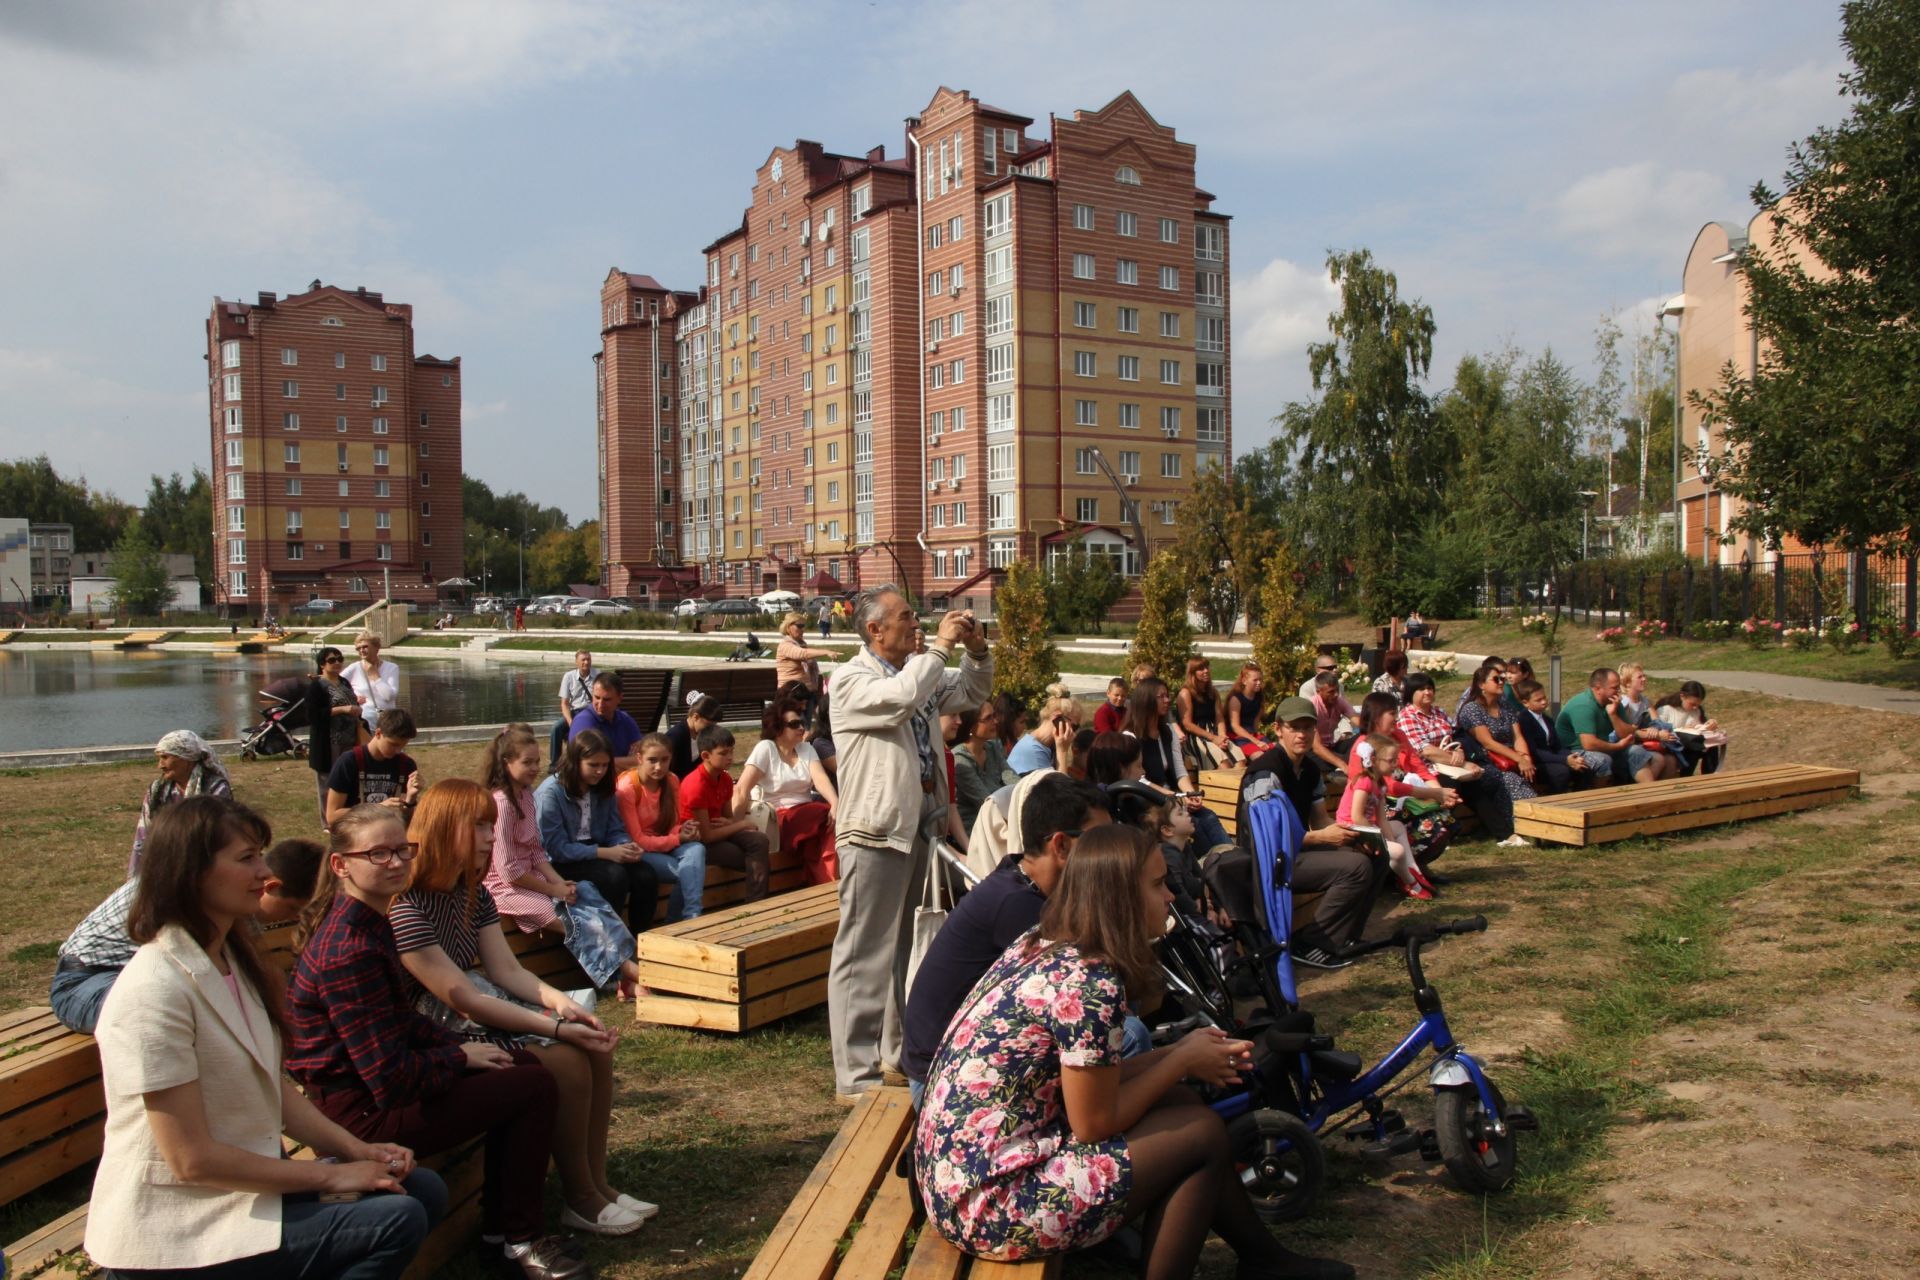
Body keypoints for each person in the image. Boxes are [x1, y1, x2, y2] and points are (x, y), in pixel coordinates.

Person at [914, 824, 1352, 1280]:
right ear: (1119, 895)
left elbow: (1090, 1076)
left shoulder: (1042, 943)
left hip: (957, 1174)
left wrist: (1175, 1055)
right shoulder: (1088, 981)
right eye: (1158, 884)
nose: (1170, 898)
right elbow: (1093, 1123)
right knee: (1200, 1134)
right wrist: (1181, 1060)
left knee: (1184, 1105)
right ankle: (1257, 1261)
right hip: (989, 1204)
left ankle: (1262, 1259)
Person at [85, 797, 447, 1280]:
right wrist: (333, 1172)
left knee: (421, 1189)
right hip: (179, 1228)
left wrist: (359, 1150)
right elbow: (191, 1161)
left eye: (261, 855)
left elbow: (272, 1090)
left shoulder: (231, 962)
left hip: (237, 1193)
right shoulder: (154, 990)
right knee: (394, 1219)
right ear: (191, 872)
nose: (265, 873)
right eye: (247, 858)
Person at [286, 805, 583, 1280]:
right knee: (533, 1086)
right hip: (356, 1116)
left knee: (521, 1064)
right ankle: (516, 1242)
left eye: (403, 849)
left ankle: (501, 1233)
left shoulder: (369, 921)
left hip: (375, 1091)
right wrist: (458, 1055)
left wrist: (465, 1046)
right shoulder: (349, 949)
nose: (397, 861)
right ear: (342, 865)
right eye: (378, 853)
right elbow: (389, 1080)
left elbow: (401, 1021)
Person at [393, 780, 654, 1237]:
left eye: (490, 826)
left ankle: (598, 1183)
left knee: (595, 1046)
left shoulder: (473, 892)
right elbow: (460, 998)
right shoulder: (406, 905)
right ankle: (581, 1197)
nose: (490, 837)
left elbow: (508, 972)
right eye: (477, 826)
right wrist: (553, 1029)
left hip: (471, 1007)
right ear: (441, 828)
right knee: (566, 1059)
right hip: (433, 1026)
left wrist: (558, 1005)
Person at [827, 587, 993, 1102]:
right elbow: (901, 701)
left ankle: (896, 1056)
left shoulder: (916, 672)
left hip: (919, 826)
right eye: (904, 617)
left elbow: (969, 691)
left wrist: (978, 650)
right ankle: (855, 1076)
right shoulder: (852, 681)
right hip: (874, 830)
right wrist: (940, 649)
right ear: (874, 630)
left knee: (906, 948)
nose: (915, 623)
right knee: (863, 952)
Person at [901, 775, 1113, 1104]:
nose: (1109, 854)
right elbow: (1080, 998)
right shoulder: (1018, 907)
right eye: (1099, 842)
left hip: (952, 1061)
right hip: (941, 1082)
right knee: (1125, 1038)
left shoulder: (1020, 883)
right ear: (1060, 846)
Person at [52, 837, 321, 1036]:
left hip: (142, 981)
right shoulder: (197, 894)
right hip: (87, 980)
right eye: (292, 911)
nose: (291, 920)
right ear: (271, 887)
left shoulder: (229, 895)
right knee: (196, 1015)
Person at [482, 725, 642, 997]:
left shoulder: (525, 796)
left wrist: (560, 882)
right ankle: (628, 975)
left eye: (537, 761)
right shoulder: (503, 804)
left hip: (535, 877)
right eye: (527, 762)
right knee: (574, 919)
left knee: (588, 896)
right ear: (507, 762)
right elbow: (510, 871)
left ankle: (626, 971)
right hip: (507, 889)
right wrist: (553, 890)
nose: (534, 768)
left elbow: (535, 851)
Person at [1240, 699, 1383, 969]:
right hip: (1268, 861)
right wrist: (1321, 838)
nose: (1302, 735)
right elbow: (1267, 839)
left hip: (1297, 849)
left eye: (1308, 728)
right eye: (1294, 728)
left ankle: (1346, 938)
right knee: (1356, 867)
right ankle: (1312, 943)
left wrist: (1353, 835)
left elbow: (1320, 820)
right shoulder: (1265, 773)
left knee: (1375, 855)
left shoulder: (1310, 769)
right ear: (1278, 729)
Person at [536, 728, 657, 936]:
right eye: (593, 765)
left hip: (597, 851)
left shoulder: (602, 788)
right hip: (561, 863)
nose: (600, 771)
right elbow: (557, 849)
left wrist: (625, 846)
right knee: (613, 876)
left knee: (645, 874)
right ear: (576, 762)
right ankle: (612, 940)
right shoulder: (552, 793)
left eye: (604, 765)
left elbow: (615, 829)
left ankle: (641, 938)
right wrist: (605, 853)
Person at [1348, 693, 1460, 874]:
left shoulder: (1398, 735)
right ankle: (1404, 870)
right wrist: (1434, 794)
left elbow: (1419, 767)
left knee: (1445, 816)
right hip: (1378, 806)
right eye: (1392, 713)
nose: (1397, 718)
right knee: (1429, 822)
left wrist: (1441, 793)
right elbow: (1388, 786)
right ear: (1377, 716)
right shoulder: (1363, 747)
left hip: (1405, 798)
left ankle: (1416, 868)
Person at [607, 733, 713, 920]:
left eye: (665, 760)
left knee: (696, 849)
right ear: (639, 759)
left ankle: (691, 915)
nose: (659, 767)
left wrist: (683, 829)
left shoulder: (671, 780)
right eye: (652, 760)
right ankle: (686, 920)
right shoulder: (627, 788)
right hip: (641, 851)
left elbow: (673, 824)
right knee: (687, 874)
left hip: (666, 844)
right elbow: (638, 840)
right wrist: (677, 838)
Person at [736, 697, 839, 885]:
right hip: (778, 818)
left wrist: (836, 803)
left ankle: (826, 881)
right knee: (823, 816)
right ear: (777, 728)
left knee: (829, 821)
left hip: (808, 816)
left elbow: (821, 779)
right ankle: (830, 882)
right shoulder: (765, 748)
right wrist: (733, 826)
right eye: (794, 724)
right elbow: (742, 789)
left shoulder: (806, 749)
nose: (801, 728)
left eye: (802, 722)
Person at [1125, 678, 1233, 852]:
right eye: (1161, 697)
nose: (1167, 700)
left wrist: (1190, 794)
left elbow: (1180, 771)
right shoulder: (1130, 737)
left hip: (1175, 798)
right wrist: (1174, 796)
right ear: (1146, 700)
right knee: (1194, 824)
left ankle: (1231, 858)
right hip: (1150, 802)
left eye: (1167, 696)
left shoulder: (1168, 732)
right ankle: (1210, 867)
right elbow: (1139, 780)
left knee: (1208, 816)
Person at [678, 725, 774, 903]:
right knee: (753, 859)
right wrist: (741, 824)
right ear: (706, 756)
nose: (730, 757)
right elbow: (706, 836)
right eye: (723, 753)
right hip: (698, 841)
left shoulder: (725, 778)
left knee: (759, 840)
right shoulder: (695, 785)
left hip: (720, 833)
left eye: (731, 751)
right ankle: (756, 904)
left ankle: (757, 902)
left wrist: (731, 823)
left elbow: (727, 818)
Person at [1338, 735, 1436, 900]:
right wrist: (1379, 837)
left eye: (1396, 759)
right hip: (1351, 830)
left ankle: (1411, 869)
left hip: (1366, 827)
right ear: (1374, 760)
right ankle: (1411, 883)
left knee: (1397, 826)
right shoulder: (1364, 781)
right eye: (1391, 760)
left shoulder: (1380, 783)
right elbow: (1356, 816)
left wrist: (1389, 839)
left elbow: (1381, 818)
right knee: (1397, 852)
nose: (1395, 764)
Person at [1457, 662, 1539, 848]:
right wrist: (1518, 759)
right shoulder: (1472, 709)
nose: (1502, 682)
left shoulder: (1504, 705)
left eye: (1503, 678)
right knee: (1509, 781)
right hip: (1488, 761)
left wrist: (1525, 758)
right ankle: (1523, 824)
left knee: (1532, 771)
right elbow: (1487, 742)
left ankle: (1533, 822)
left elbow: (1517, 735)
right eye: (1496, 679)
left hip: (1512, 758)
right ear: (1481, 685)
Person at [129, 729, 233, 874]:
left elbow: (217, 835)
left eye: (165, 757)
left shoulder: (215, 789)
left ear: (186, 759)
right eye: (159, 758)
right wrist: (136, 875)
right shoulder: (157, 791)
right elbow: (143, 835)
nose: (160, 765)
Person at [1556, 667, 1680, 787]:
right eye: (1614, 687)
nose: (1619, 691)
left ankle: (1647, 796)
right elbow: (1589, 744)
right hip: (1575, 750)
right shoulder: (1583, 706)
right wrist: (1617, 746)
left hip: (1605, 746)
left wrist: (1613, 715)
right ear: (1598, 688)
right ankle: (1601, 802)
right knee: (1603, 760)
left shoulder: (1613, 701)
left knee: (1642, 753)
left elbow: (1628, 736)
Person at [325, 709, 421, 828]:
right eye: (393, 744)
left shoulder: (406, 765)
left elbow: (407, 823)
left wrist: (410, 800)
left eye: (402, 746)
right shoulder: (348, 762)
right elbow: (332, 816)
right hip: (356, 837)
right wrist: (377, 809)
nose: (398, 751)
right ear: (378, 733)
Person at [306, 646, 364, 823]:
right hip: (328, 741)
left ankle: (347, 814)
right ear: (322, 664)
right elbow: (313, 715)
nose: (337, 663)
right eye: (332, 660)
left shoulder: (344, 682)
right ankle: (328, 820)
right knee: (327, 781)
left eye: (340, 659)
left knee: (348, 776)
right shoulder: (317, 686)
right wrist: (342, 709)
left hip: (349, 737)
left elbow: (352, 702)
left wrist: (357, 706)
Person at [1511, 679, 1591, 795]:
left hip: (1551, 758)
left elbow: (1557, 746)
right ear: (1525, 702)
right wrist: (1564, 760)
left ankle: (1578, 799)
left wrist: (1571, 757)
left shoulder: (1547, 719)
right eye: (1538, 700)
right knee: (1561, 772)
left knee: (1584, 767)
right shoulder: (1523, 720)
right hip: (1537, 762)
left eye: (1544, 698)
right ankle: (1553, 803)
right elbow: (1535, 752)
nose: (1543, 702)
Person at [951, 701, 1008, 836]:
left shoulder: (992, 748)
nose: (995, 721)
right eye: (988, 718)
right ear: (971, 726)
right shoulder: (960, 760)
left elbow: (1011, 777)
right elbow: (985, 802)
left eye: (995, 716)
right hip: (977, 829)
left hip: (1000, 820)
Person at [569, 673, 642, 774]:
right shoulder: (583, 722)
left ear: (620, 698)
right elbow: (590, 766)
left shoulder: (626, 719)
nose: (600, 704)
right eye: (597, 697)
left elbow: (641, 758)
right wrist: (628, 762)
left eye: (607, 699)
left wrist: (610, 764)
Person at [1174, 657, 1237, 770]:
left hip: (1214, 733)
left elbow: (1219, 718)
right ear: (1192, 673)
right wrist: (1213, 738)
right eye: (1201, 669)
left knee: (1239, 759)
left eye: (1206, 667)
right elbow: (1187, 724)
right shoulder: (1185, 693)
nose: (1206, 671)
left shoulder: (1213, 693)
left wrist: (1222, 735)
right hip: (1196, 737)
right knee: (1224, 764)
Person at [1006, 685, 1082, 777]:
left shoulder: (1048, 745)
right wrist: (1062, 751)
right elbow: (1059, 789)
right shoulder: (1034, 751)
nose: (1074, 734)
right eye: (1074, 726)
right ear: (1057, 718)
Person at [1654, 680, 1726, 775]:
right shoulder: (1665, 710)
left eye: (1698, 705)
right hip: (1671, 746)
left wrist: (1709, 725)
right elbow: (1659, 730)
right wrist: (1684, 729)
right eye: (1692, 704)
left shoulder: (1696, 711)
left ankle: (1710, 777)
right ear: (1682, 696)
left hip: (1689, 745)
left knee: (1710, 746)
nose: (1695, 707)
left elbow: (1699, 729)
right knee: (1694, 749)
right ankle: (1688, 778)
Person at [551, 650, 599, 776]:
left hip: (591, 712)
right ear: (576, 662)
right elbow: (564, 703)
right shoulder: (569, 676)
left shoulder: (598, 675)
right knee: (556, 728)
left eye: (588, 659)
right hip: (574, 712)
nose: (586, 662)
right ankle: (555, 764)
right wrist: (570, 722)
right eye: (583, 660)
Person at [344, 631, 400, 736]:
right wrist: (352, 698)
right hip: (365, 723)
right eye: (358, 648)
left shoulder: (391, 667)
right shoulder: (354, 668)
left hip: (388, 722)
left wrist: (375, 676)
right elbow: (335, 684)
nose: (361, 650)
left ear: (377, 648)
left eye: (365, 647)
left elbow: (389, 696)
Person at [1307, 670, 1362, 773]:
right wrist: (1342, 764)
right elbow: (1317, 747)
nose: (1336, 694)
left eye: (1337, 690)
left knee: (1364, 735)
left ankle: (1347, 761)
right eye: (1331, 692)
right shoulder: (1312, 706)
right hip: (1314, 752)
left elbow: (1357, 720)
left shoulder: (1338, 701)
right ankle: (1347, 762)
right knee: (1313, 762)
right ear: (1319, 691)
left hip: (1332, 747)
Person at [775, 612, 833, 698]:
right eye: (799, 626)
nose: (803, 629)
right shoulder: (785, 645)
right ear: (788, 627)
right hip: (790, 694)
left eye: (803, 626)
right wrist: (826, 652)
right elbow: (802, 654)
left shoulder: (801, 644)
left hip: (805, 691)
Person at [666, 692, 720, 779]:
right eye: (708, 725)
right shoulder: (675, 737)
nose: (711, 729)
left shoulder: (700, 734)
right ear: (696, 717)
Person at [1224, 662, 1271, 752]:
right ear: (1244, 681)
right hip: (1237, 737)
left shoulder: (1259, 697)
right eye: (1255, 680)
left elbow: (1255, 723)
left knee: (1272, 750)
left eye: (1260, 680)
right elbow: (1235, 726)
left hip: (1252, 735)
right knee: (1258, 755)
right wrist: (1256, 742)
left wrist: (1257, 739)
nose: (1259, 683)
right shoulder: (1236, 699)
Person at [991, 690, 1028, 760]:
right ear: (1009, 722)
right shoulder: (993, 747)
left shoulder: (1012, 743)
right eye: (1022, 722)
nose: (1025, 727)